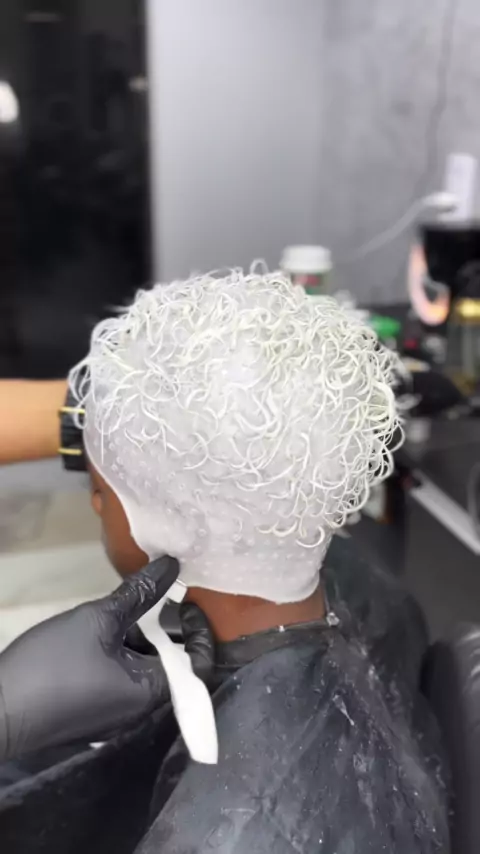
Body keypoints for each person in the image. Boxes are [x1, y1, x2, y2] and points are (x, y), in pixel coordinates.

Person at [0, 270, 448, 852]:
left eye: (99, 489)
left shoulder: (235, 832)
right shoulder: (372, 593)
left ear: (168, 525)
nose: (92, 502)